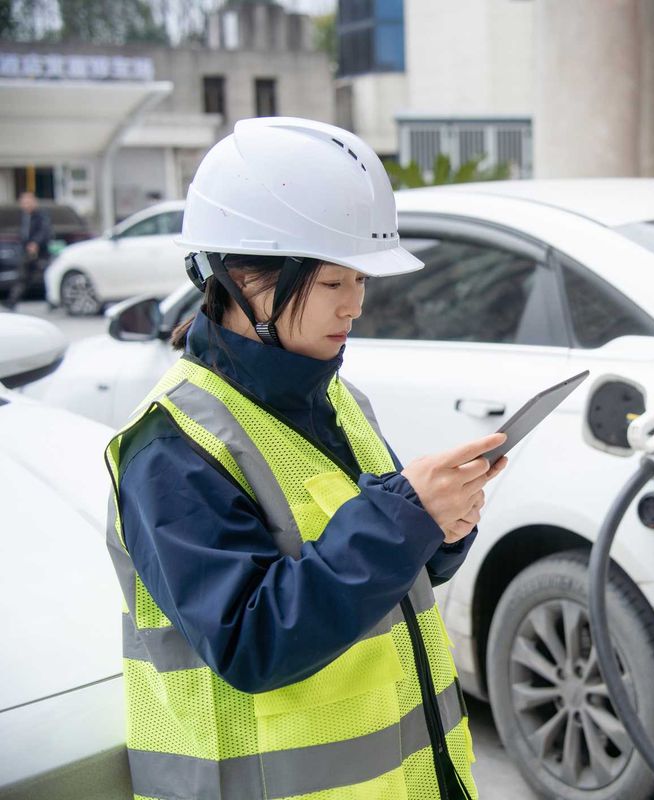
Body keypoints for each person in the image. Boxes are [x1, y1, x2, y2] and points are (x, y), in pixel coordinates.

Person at [103, 117, 505, 800]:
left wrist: (438, 530)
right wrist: (402, 521)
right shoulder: (172, 446)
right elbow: (251, 641)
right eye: (331, 283)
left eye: (360, 279)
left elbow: (374, 573)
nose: (355, 306)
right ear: (242, 279)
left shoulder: (338, 399)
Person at [4, 191, 52, 309]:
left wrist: (35, 243)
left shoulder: (41, 216)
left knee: (46, 275)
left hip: (40, 252)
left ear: (34, 202)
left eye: (28, 202)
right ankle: (12, 301)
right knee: (23, 276)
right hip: (27, 251)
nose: (26, 205)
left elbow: (44, 231)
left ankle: (52, 300)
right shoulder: (24, 216)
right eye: (24, 203)